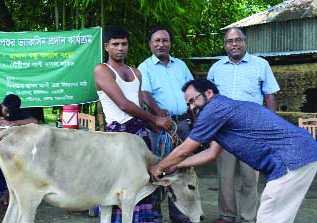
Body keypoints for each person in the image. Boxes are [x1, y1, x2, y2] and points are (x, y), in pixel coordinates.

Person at [150, 78, 317, 223]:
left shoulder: (214, 109)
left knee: (271, 214)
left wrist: (159, 167)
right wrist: (176, 166)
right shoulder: (223, 108)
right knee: (278, 214)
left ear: (208, 93)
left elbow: (184, 149)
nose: (192, 107)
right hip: (301, 153)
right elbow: (211, 153)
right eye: (189, 104)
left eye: (193, 100)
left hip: (291, 158)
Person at [94, 26, 173, 223]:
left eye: (124, 44)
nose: (120, 48)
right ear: (106, 47)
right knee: (119, 189)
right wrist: (155, 119)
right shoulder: (102, 70)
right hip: (117, 139)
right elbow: (123, 104)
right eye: (115, 44)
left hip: (140, 136)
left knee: (141, 185)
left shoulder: (136, 73)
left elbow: (137, 106)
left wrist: (157, 126)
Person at [207, 27, 280, 223]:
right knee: (225, 178)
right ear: (225, 45)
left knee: (250, 178)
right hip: (224, 132)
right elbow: (208, 100)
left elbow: (269, 96)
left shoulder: (261, 65)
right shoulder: (216, 68)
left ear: (244, 42)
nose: (234, 44)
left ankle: (248, 217)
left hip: (252, 132)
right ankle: (226, 215)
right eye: (230, 41)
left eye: (238, 40)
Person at [138, 27, 194, 223]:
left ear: (170, 43)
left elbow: (192, 92)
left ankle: (180, 216)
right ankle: (155, 217)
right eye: (156, 41)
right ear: (150, 44)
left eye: (165, 40)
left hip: (183, 126)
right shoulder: (145, 67)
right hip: (159, 129)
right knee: (158, 172)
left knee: (181, 171)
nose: (161, 44)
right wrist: (156, 114)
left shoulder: (181, 65)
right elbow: (145, 94)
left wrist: (195, 120)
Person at [0, 94, 38, 206]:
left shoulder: (16, 112)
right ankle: (5, 191)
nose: (8, 114)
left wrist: (13, 123)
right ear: (2, 105)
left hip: (14, 147)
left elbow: (34, 121)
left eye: (11, 112)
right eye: (6, 110)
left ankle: (18, 188)